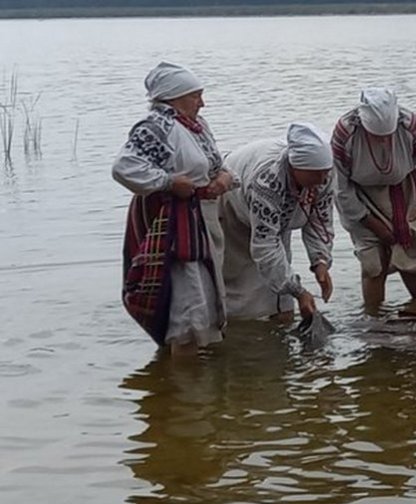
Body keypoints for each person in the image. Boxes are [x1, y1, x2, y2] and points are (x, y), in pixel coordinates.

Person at [113, 61, 236, 355]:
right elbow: (124, 167)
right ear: (175, 97)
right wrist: (168, 182)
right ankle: (184, 376)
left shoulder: (196, 126)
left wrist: (224, 178)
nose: (202, 103)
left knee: (205, 299)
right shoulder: (157, 127)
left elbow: (213, 165)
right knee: (187, 309)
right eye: (196, 96)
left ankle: (179, 394)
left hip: (202, 220)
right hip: (174, 225)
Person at [331, 87, 416, 311]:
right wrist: (373, 224)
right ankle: (375, 317)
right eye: (377, 136)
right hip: (360, 196)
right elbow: (340, 188)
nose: (384, 141)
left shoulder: (409, 125)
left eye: (387, 135)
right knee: (373, 265)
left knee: (412, 260)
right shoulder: (345, 132)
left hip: (402, 191)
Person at [218, 123, 335, 321]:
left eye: (326, 171)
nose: (323, 179)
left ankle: (276, 337)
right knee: (235, 285)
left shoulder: (325, 176)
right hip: (231, 206)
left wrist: (320, 261)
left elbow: (320, 220)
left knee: (280, 300)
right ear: (295, 167)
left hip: (280, 216)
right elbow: (265, 246)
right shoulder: (267, 182)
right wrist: (299, 292)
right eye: (316, 173)